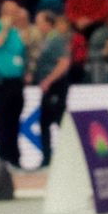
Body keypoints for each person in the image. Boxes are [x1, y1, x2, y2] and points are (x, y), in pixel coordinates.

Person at [0, 0, 28, 171]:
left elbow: (21, 52)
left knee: (15, 120)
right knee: (3, 119)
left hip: (16, 81)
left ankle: (15, 158)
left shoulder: (17, 32)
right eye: (13, 11)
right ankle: (3, 158)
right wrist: (5, 29)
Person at [29, 10, 73, 166]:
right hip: (51, 85)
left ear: (48, 23)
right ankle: (49, 157)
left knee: (56, 119)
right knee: (47, 121)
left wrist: (49, 80)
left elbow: (64, 62)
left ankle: (57, 157)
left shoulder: (56, 40)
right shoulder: (48, 39)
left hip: (56, 85)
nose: (37, 25)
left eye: (39, 21)